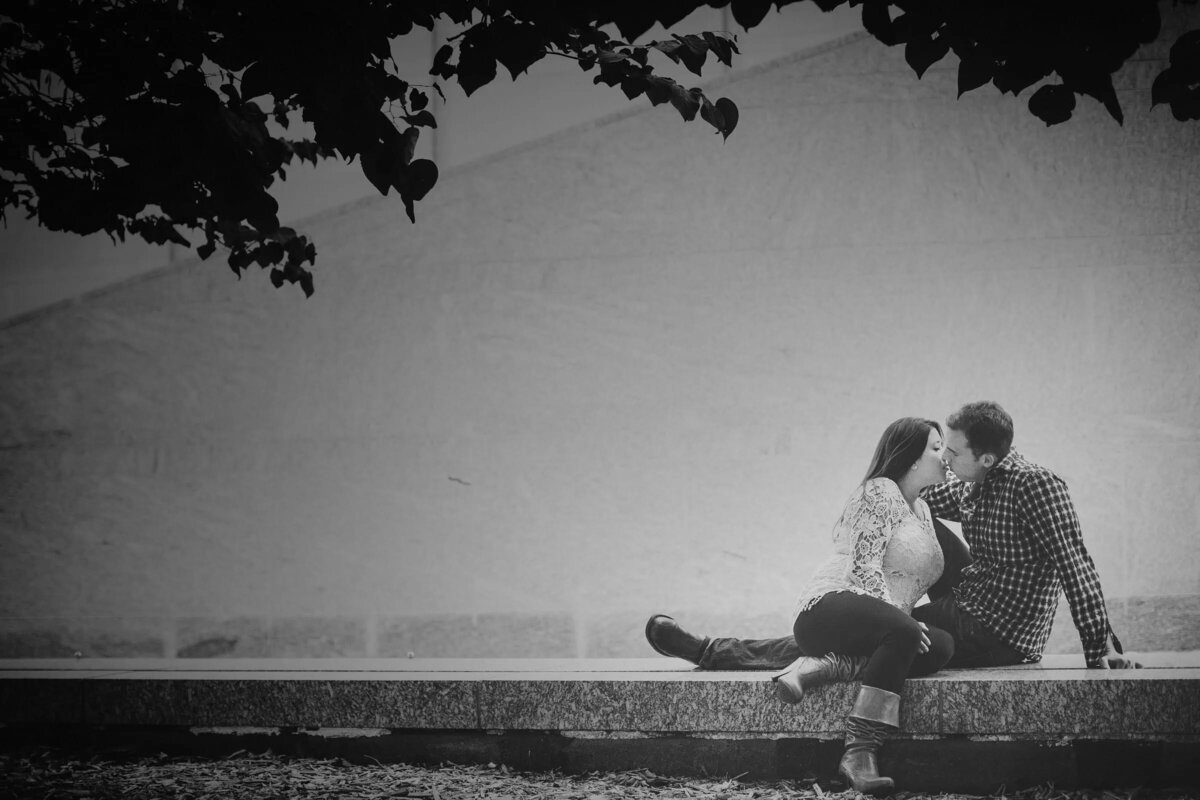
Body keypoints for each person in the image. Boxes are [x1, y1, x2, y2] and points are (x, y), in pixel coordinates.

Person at [645, 400, 1136, 672]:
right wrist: (881, 487)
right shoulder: (972, 483)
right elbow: (907, 497)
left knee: (867, 638)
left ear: (987, 459)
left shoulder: (1035, 485)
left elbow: (1076, 563)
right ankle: (839, 608)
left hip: (995, 630)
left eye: (954, 452)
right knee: (917, 516)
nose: (945, 459)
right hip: (970, 602)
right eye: (941, 447)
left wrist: (1100, 646)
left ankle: (714, 651)